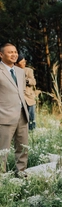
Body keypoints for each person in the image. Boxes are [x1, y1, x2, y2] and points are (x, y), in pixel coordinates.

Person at [0, 42, 29, 173]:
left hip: (22, 115)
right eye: (10, 52)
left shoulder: (20, 71)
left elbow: (21, 92)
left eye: (15, 52)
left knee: (23, 148)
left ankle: (21, 174)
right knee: (2, 151)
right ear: (1, 55)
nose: (14, 54)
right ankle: (2, 178)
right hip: (4, 116)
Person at [15, 55, 37, 130]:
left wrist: (26, 80)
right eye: (22, 62)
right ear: (16, 63)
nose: (24, 63)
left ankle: (32, 131)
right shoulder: (12, 71)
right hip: (17, 98)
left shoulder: (29, 70)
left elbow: (33, 82)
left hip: (29, 98)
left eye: (25, 61)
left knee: (31, 117)